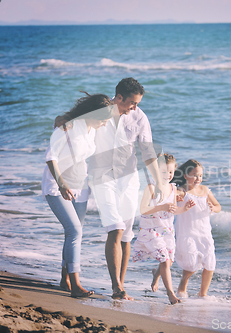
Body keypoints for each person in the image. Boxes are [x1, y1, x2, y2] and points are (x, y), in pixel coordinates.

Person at [87, 78, 164, 300]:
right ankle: (116, 287)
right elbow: (77, 125)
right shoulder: (100, 111)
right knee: (116, 228)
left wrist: (158, 181)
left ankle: (120, 285)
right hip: (102, 177)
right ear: (118, 97)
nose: (135, 107)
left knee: (127, 235)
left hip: (128, 179)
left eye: (137, 103)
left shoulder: (139, 117)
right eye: (132, 102)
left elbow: (148, 151)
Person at [42, 93, 114, 298]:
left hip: (80, 186)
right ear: (92, 113)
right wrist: (62, 185)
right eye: (103, 119)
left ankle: (64, 280)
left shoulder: (92, 129)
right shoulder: (68, 127)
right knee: (74, 231)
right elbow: (51, 158)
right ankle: (76, 285)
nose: (105, 123)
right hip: (58, 186)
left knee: (73, 233)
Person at [132, 153, 194, 304]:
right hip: (151, 230)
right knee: (165, 261)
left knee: (169, 261)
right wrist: (161, 206)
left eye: (171, 172)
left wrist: (184, 209)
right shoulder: (151, 187)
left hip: (167, 230)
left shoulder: (173, 188)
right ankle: (171, 294)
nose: (168, 175)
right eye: (163, 172)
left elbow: (173, 210)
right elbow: (143, 209)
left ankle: (156, 274)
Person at [172, 159, 222, 298]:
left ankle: (203, 293)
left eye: (200, 175)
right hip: (188, 233)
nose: (198, 178)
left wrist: (213, 207)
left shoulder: (205, 190)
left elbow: (218, 206)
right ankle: (182, 286)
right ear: (185, 176)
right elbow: (171, 200)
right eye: (194, 175)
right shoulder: (182, 191)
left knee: (210, 264)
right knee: (191, 265)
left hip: (204, 233)